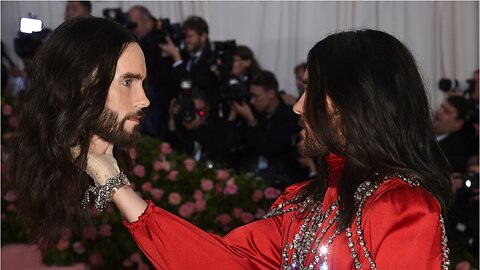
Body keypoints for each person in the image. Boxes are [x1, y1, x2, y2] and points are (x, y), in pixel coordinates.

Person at [12, 22, 452, 270]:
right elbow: (219, 264)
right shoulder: (301, 204)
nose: (297, 107)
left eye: (309, 90)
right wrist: (113, 182)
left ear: (351, 101)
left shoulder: (404, 209)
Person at [228, 70, 301, 189]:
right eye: (251, 96)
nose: (252, 101)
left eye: (256, 96)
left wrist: (252, 122)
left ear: (271, 93)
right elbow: (232, 144)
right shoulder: (253, 113)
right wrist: (233, 117)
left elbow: (271, 148)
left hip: (280, 181)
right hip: (249, 178)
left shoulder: (289, 116)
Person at [127, 5, 179, 140]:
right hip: (148, 98)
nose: (132, 29)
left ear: (146, 21)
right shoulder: (140, 41)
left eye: (134, 24)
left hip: (163, 99)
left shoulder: (161, 37)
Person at [160, 15, 222, 119]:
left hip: (206, 118)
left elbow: (193, 85)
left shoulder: (212, 58)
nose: (186, 40)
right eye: (185, 37)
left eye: (190, 36)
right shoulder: (185, 56)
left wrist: (176, 57)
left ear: (203, 36)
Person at [433, 95, 477, 172]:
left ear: (458, 123)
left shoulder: (456, 153)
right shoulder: (423, 131)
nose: (439, 111)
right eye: (441, 107)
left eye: (446, 111)